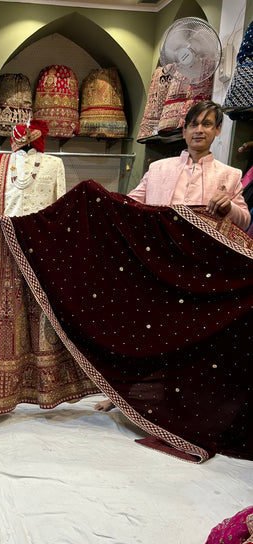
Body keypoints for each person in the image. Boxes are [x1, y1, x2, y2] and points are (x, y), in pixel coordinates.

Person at [95, 99, 251, 412]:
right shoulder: (159, 169)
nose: (199, 130)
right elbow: (131, 205)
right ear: (184, 129)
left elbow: (245, 221)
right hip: (156, 265)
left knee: (186, 334)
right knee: (142, 331)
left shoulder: (231, 175)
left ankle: (176, 398)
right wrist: (99, 201)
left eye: (207, 124)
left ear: (218, 130)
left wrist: (228, 208)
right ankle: (121, 395)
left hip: (199, 271)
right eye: (194, 124)